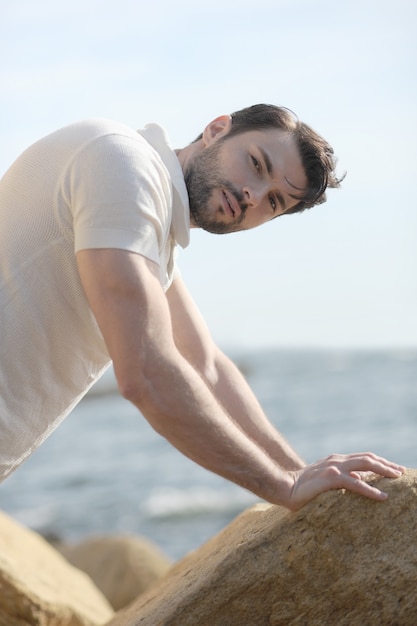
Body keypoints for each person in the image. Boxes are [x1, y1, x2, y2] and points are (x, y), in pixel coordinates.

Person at [0, 104, 405, 510]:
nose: (254, 196)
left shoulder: (153, 233)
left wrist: (299, 472)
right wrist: (282, 487)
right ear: (216, 129)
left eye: (275, 202)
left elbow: (205, 365)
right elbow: (147, 370)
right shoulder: (122, 164)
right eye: (256, 164)